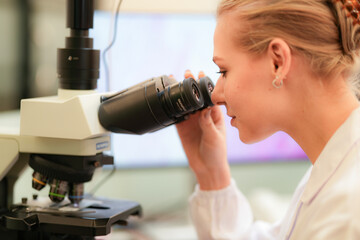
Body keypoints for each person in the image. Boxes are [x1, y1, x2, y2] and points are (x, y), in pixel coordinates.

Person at [176, 0, 360, 239]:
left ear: (278, 62)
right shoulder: (334, 170)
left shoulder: (347, 212)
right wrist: (212, 173)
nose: (215, 94)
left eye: (223, 71)